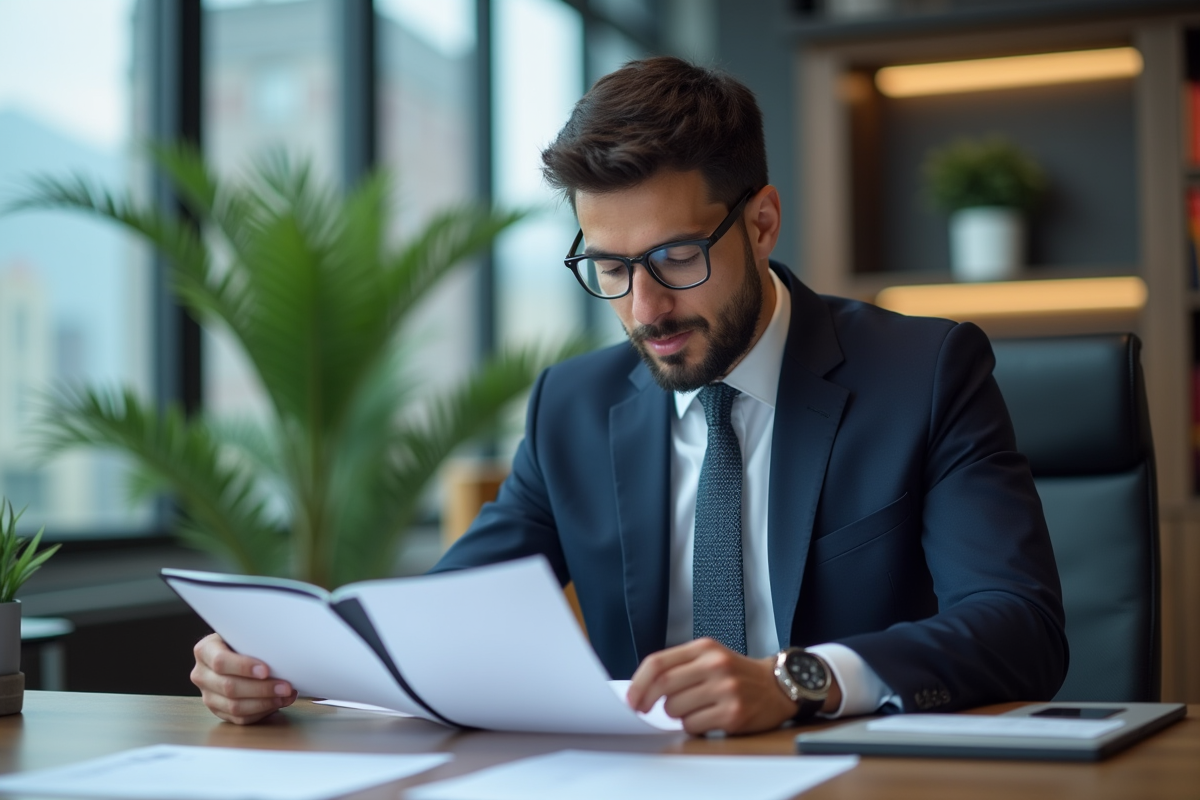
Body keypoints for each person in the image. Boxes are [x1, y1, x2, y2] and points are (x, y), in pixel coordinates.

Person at [191, 56, 1068, 733]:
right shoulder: (570, 406)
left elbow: (1019, 627)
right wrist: (288, 666)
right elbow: (444, 621)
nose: (645, 310)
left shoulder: (925, 372)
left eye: (674, 259)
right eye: (608, 267)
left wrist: (793, 680)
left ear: (761, 223)